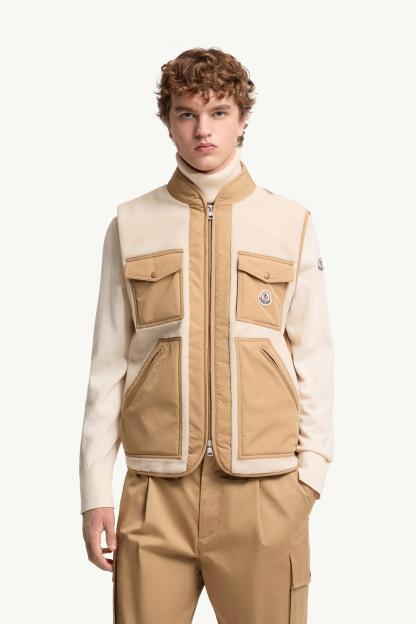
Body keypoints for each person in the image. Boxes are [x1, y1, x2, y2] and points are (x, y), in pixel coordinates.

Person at [79, 46, 334, 624]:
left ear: (243, 120)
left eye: (218, 112)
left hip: (266, 493)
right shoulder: (131, 225)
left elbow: (315, 358)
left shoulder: (290, 224)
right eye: (187, 113)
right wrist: (95, 490)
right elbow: (107, 365)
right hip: (155, 496)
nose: (203, 129)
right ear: (167, 122)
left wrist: (309, 479)